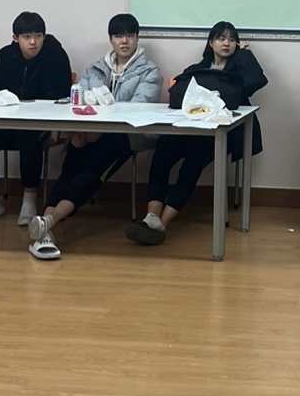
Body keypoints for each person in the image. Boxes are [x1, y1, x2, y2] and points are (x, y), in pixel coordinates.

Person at [27, 13, 162, 260]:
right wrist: (80, 131)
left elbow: (139, 109)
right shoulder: (95, 69)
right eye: (118, 36)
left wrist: (98, 131)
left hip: (125, 136)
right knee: (70, 168)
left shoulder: (149, 71)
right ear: (110, 40)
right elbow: (78, 102)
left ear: (137, 39)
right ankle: (46, 227)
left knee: (90, 173)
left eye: (129, 36)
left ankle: (50, 220)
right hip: (87, 133)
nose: (124, 41)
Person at [125, 21, 266, 247]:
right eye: (221, 38)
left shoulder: (239, 70)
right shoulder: (196, 69)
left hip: (220, 133)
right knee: (161, 155)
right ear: (211, 42)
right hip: (189, 129)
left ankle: (162, 224)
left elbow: (257, 81)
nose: (227, 43)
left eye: (232, 40)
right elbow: (178, 98)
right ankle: (151, 216)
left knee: (192, 164)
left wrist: (244, 56)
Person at [0, 12, 72, 228]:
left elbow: (62, 96)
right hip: (7, 121)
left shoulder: (56, 56)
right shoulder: (5, 56)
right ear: (15, 38)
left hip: (40, 124)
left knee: (28, 139)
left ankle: (29, 202)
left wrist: (55, 129)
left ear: (44, 36)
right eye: (26, 36)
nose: (33, 42)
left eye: (38, 36)